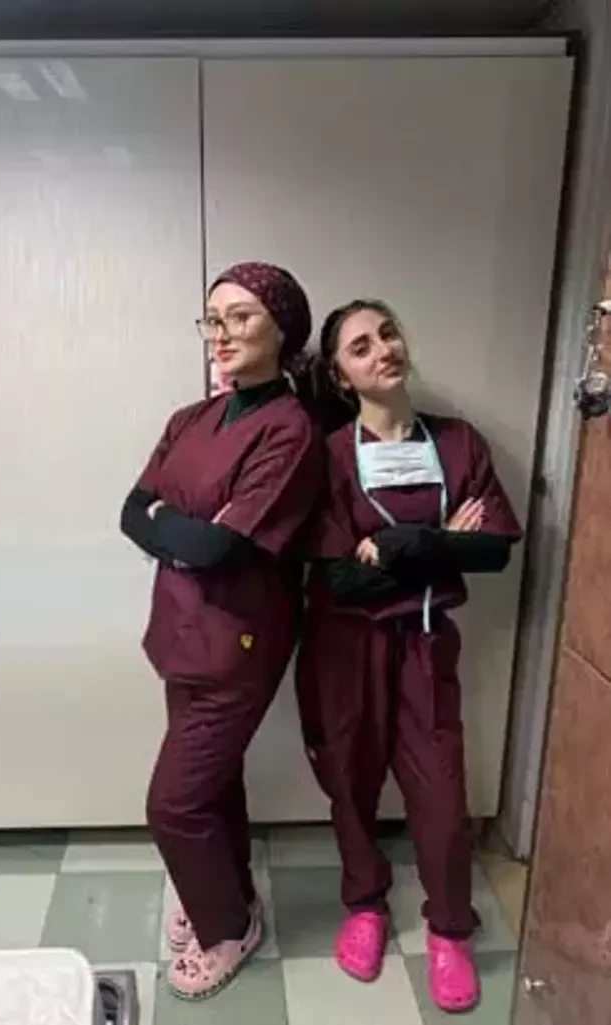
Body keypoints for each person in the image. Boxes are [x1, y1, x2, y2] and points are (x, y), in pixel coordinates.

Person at [295, 299, 523, 1014]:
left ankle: (450, 928)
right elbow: (340, 577)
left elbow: (494, 550)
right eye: (360, 347)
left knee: (443, 797)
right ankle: (364, 903)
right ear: (342, 376)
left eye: (388, 333)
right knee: (349, 780)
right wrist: (442, 540)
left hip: (425, 644)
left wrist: (396, 545)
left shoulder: (458, 442)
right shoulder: (329, 457)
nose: (383, 349)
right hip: (343, 648)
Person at [120, 262, 323, 1000]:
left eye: (241, 316)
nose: (223, 333)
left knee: (173, 803)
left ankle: (228, 929)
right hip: (180, 630)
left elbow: (216, 548)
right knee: (211, 783)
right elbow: (130, 511)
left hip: (239, 641)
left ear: (283, 328)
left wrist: (171, 528)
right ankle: (226, 894)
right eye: (213, 318)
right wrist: (183, 530)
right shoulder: (190, 419)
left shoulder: (291, 430)